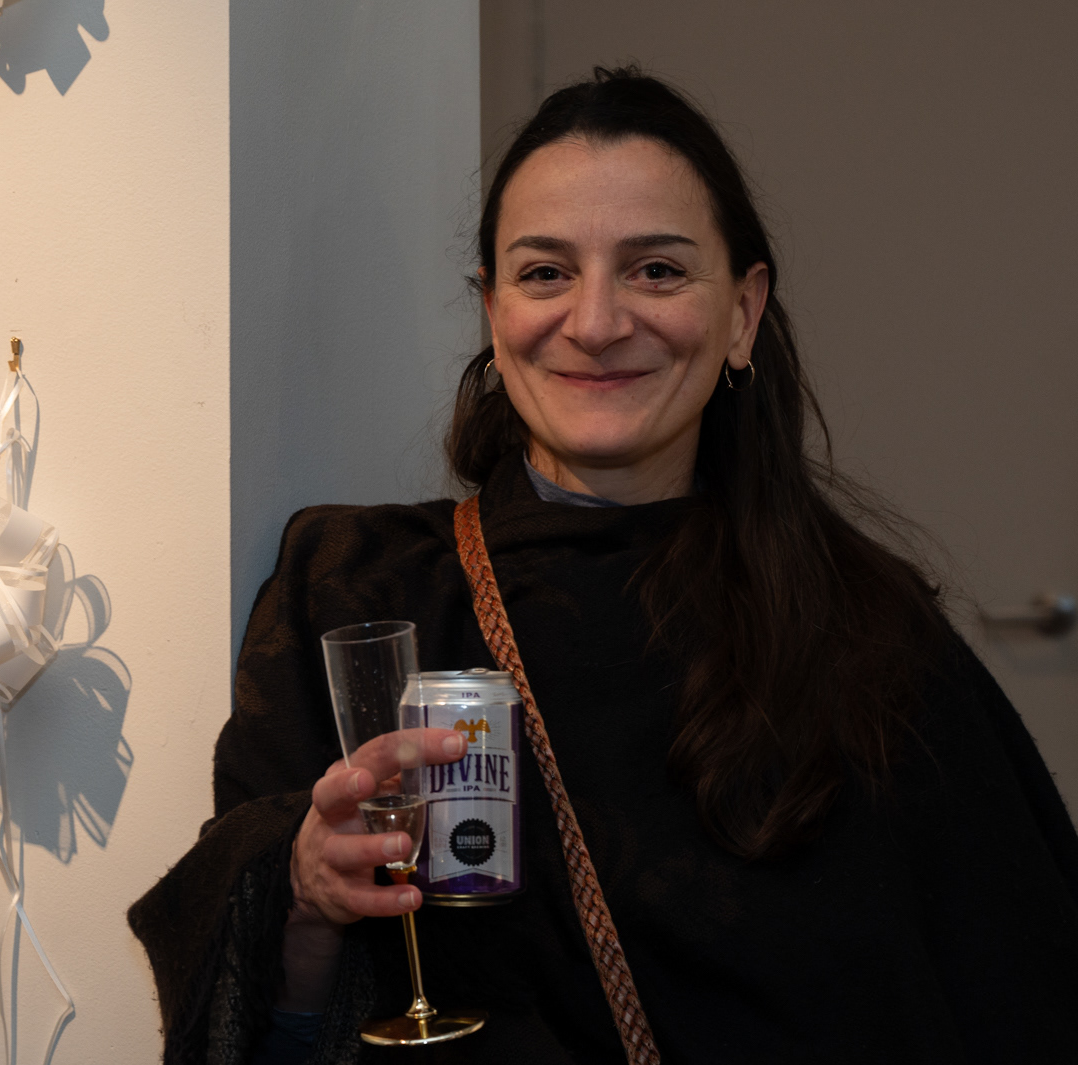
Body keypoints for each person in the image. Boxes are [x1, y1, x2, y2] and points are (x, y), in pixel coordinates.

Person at [128, 67, 1078, 1065]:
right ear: (492, 311)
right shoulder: (359, 591)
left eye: (655, 270)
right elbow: (269, 1035)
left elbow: (1025, 993)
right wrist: (305, 893)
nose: (594, 322)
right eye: (545, 273)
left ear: (743, 312)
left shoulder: (871, 633)